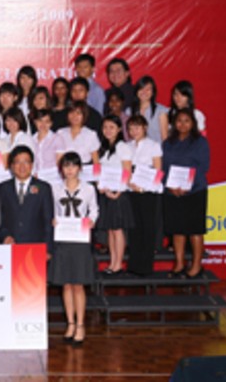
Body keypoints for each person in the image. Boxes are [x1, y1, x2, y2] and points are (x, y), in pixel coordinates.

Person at [49, 152, 99, 346]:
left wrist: (92, 221)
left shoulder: (88, 189)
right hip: (63, 239)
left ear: (79, 168)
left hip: (80, 239)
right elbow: (53, 210)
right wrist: (53, 221)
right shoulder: (55, 189)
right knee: (66, 284)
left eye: (73, 166)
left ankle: (80, 325)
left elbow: (94, 209)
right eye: (66, 166)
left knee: (78, 284)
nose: (70, 170)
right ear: (61, 169)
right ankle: (69, 323)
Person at [162, 109, 210, 279]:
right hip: (172, 192)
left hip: (194, 191)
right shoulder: (168, 143)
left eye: (187, 121)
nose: (183, 124)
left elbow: (204, 167)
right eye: (179, 120)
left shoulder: (200, 142)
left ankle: (197, 266)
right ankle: (179, 264)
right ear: (174, 123)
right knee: (177, 230)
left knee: (195, 230)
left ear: (193, 123)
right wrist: (170, 185)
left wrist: (187, 185)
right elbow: (163, 168)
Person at [0, 146, 55, 253]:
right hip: (9, 248)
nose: (22, 166)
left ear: (32, 165)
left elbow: (48, 222)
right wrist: (4, 236)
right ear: (12, 166)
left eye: (26, 162)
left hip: (35, 249)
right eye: (18, 162)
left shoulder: (44, 188)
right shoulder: (2, 188)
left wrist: (48, 249)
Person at [96, 115, 135, 275]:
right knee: (110, 230)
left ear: (119, 129)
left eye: (112, 127)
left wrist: (118, 191)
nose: (108, 131)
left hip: (119, 194)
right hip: (106, 193)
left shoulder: (123, 147)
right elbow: (99, 171)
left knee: (118, 230)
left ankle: (118, 264)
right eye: (105, 127)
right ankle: (112, 263)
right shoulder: (102, 148)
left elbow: (127, 171)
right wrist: (102, 188)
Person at [125, 115, 163, 277]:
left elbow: (158, 171)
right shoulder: (126, 146)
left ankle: (146, 266)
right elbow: (125, 170)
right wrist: (130, 183)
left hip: (148, 192)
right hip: (131, 190)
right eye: (131, 128)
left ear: (145, 127)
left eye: (137, 127)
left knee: (148, 227)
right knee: (134, 228)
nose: (134, 131)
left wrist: (144, 186)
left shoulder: (154, 146)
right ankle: (134, 265)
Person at [127, 75, 169, 144]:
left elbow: (165, 138)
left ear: (153, 92)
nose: (144, 92)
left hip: (156, 152)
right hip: (136, 151)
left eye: (148, 89)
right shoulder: (129, 111)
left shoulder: (161, 111)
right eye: (141, 88)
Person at [32, 109, 66, 174]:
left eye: (47, 121)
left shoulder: (57, 138)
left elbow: (60, 164)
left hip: (52, 177)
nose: (43, 124)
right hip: (35, 177)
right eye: (40, 121)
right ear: (35, 122)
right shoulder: (31, 140)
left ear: (51, 123)